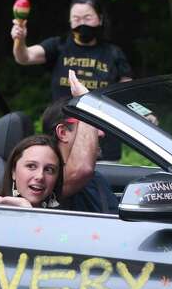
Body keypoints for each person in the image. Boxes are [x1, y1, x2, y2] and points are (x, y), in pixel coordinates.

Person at [11, 0, 132, 161]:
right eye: (76, 19)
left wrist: (144, 114)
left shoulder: (113, 53)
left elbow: (128, 94)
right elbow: (24, 57)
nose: (81, 23)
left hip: (104, 139)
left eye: (87, 18)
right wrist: (20, 40)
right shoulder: (58, 46)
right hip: (62, 136)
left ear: (101, 19)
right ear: (69, 21)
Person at [41, 70, 120, 214]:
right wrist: (85, 101)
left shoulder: (97, 180)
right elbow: (80, 170)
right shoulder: (44, 179)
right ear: (63, 133)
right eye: (89, 125)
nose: (101, 133)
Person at [0, 134, 63, 208]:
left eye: (49, 170)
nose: (40, 176)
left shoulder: (64, 219)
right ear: (13, 171)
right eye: (31, 166)